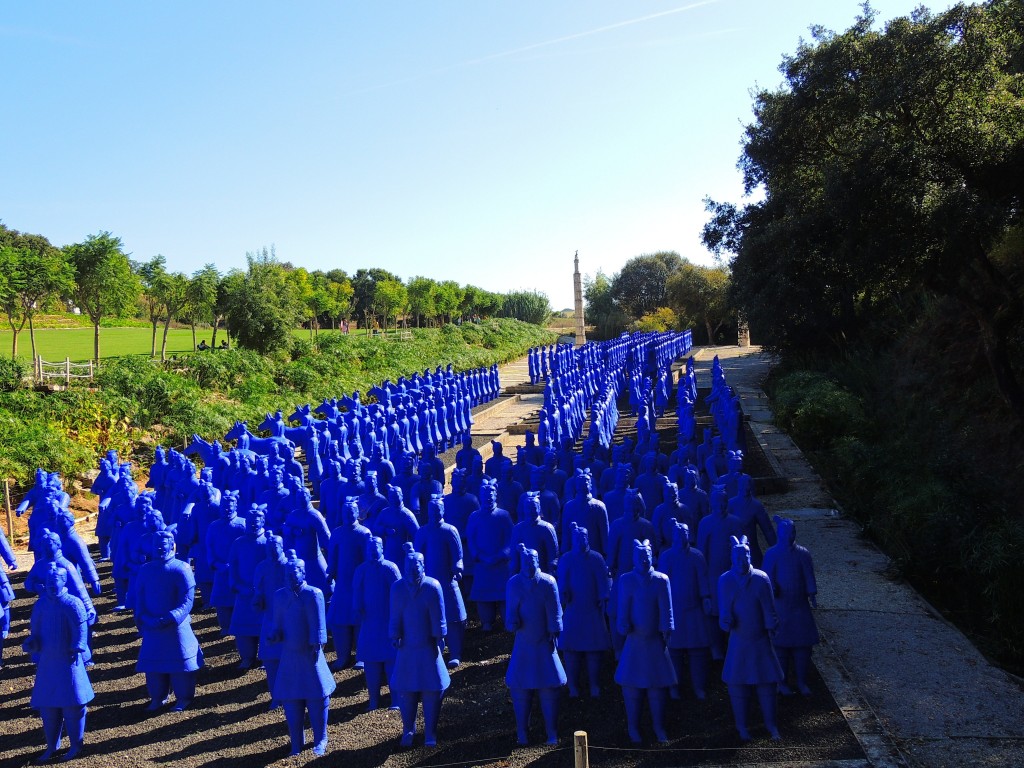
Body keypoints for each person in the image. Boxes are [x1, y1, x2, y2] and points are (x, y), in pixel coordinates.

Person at [22, 564, 94, 761]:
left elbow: (81, 627)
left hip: (69, 661)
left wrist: (79, 644)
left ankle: (76, 746)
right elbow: (35, 630)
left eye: (55, 583)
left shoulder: (73, 603)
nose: (51, 587)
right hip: (48, 663)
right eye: (48, 583)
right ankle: (52, 746)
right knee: (48, 707)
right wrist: (31, 643)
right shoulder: (41, 604)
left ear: (63, 581)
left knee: (73, 705)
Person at [268, 553, 336, 757]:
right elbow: (277, 623)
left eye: (295, 571)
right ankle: (296, 741)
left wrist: (318, 642)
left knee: (317, 697)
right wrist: (274, 634)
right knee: (291, 700)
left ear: (303, 572)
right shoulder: (279, 596)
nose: (291, 576)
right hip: (289, 657)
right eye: (288, 572)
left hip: (310, 655)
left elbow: (319, 624)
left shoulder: (313, 594)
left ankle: (321, 738)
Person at [718, 535, 783, 741]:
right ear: (731, 556)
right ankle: (742, 726)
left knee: (767, 683)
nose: (741, 559)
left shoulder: (761, 578)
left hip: (760, 640)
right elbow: (723, 616)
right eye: (737, 556)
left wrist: (772, 625)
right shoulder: (725, 580)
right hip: (739, 641)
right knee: (738, 684)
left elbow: (768, 608)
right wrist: (726, 621)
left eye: (744, 555)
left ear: (749, 555)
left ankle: (771, 724)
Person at [614, 539, 676, 744]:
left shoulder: (661, 580)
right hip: (635, 641)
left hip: (656, 642)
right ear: (633, 558)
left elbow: (666, 608)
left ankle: (659, 727)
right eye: (640, 556)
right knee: (632, 686)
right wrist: (622, 624)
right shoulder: (627, 580)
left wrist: (667, 627)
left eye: (647, 556)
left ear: (653, 557)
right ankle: (633, 727)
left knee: (658, 687)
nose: (643, 559)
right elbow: (623, 607)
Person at [135, 530, 204, 711]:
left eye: (163, 545)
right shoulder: (145, 570)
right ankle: (158, 698)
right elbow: (139, 598)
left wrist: (171, 617)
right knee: (154, 668)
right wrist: (144, 617)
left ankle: (184, 698)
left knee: (180, 666)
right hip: (152, 628)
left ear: (172, 545)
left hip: (175, 628)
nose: (160, 549)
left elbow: (187, 600)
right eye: (156, 545)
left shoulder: (182, 568)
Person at [389, 542, 450, 748]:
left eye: (416, 569)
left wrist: (440, 636)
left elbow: (439, 616)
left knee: (433, 689)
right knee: (406, 690)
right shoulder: (397, 588)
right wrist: (394, 633)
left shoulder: (432, 587)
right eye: (409, 569)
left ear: (423, 567)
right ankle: (408, 728)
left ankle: (430, 731)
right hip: (406, 648)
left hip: (427, 647)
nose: (412, 573)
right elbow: (395, 614)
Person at [505, 545, 566, 745]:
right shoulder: (514, 583)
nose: (529, 566)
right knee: (520, 688)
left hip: (544, 643)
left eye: (532, 562)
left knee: (550, 688)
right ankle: (522, 731)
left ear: (538, 562)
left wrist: (554, 630)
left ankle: (552, 732)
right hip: (523, 643)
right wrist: (512, 621)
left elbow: (555, 610)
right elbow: (510, 613)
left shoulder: (548, 583)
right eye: (526, 562)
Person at [761, 516, 819, 696]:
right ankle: (782, 682)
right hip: (780, 606)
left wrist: (812, 593)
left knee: (803, 647)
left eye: (792, 532)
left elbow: (808, 575)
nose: (789, 535)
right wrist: (772, 586)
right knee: (781, 648)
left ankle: (801, 681)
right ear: (779, 534)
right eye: (786, 532)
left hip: (800, 605)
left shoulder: (803, 553)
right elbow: (765, 577)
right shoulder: (772, 554)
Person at [658, 520, 713, 700]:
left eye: (684, 534)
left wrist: (705, 597)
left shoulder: (697, 556)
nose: (681, 537)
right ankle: (674, 686)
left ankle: (699, 687)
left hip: (695, 610)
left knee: (698, 651)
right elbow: (661, 586)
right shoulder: (667, 557)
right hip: (675, 612)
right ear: (673, 536)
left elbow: (703, 579)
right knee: (674, 652)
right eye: (678, 534)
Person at [556, 524, 610, 698]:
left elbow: (603, 580)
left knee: (594, 649)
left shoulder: (596, 558)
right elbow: (562, 581)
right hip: (573, 609)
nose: (581, 541)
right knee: (571, 651)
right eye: (577, 538)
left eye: (584, 538)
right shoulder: (566, 559)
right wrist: (564, 593)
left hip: (592, 609)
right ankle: (573, 685)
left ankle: (594, 683)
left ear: (588, 538)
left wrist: (603, 597)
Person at [414, 494, 467, 669]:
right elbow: (418, 556)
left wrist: (457, 568)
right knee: (429, 617)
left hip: (446, 580)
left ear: (443, 510)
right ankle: (433, 651)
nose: (435, 513)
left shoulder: (450, 530)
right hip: (428, 582)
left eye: (438, 510)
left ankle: (455, 652)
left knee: (454, 617)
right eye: (432, 510)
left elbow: (458, 555)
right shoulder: (422, 532)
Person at [353, 536, 401, 710]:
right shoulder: (361, 570)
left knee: (392, 662)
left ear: (382, 548)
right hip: (369, 623)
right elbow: (357, 591)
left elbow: (398, 592)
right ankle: (374, 699)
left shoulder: (390, 568)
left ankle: (396, 699)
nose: (373, 551)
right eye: (370, 548)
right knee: (371, 663)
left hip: (388, 621)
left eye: (376, 547)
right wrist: (357, 605)